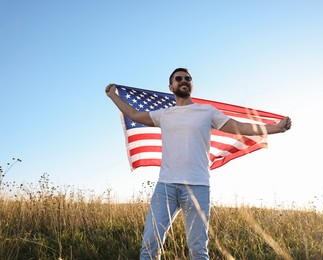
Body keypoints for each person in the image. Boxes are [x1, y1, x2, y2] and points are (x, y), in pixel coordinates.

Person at [105, 68, 291, 259]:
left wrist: (275, 128)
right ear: (171, 86)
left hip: (197, 187)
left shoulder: (207, 111)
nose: (183, 80)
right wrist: (113, 96)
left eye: (187, 78)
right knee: (149, 245)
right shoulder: (164, 114)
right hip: (166, 187)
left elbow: (239, 127)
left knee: (198, 250)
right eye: (178, 79)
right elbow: (134, 114)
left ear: (192, 85)